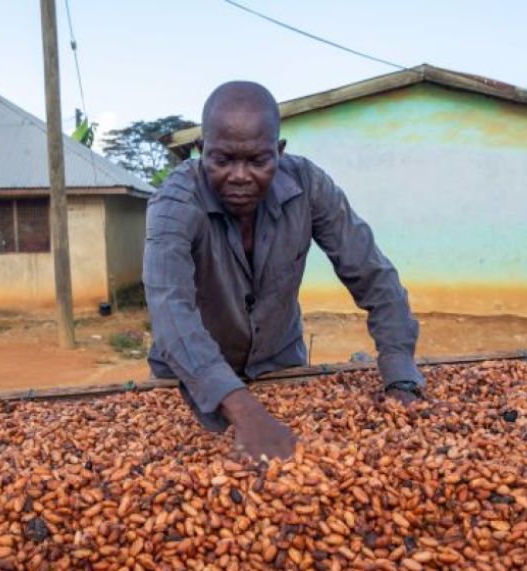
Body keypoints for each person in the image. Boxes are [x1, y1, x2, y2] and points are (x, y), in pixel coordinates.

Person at [143, 81, 425, 462]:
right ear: (200, 151)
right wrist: (246, 412)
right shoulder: (173, 202)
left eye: (258, 161)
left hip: (279, 366)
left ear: (279, 152)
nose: (240, 175)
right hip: (188, 381)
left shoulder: (309, 187)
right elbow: (170, 309)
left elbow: (372, 275)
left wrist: (400, 374)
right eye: (223, 160)